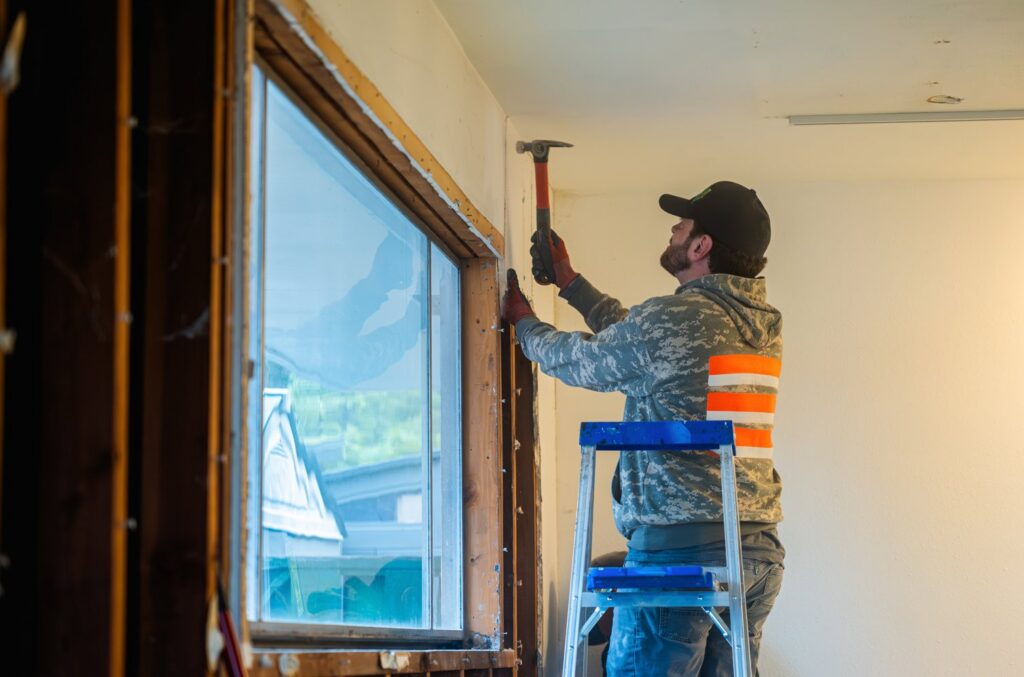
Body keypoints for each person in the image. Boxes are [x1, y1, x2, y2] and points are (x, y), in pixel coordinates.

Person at [501, 181, 785, 676]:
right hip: (756, 552)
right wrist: (570, 283)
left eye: (684, 226)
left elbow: (584, 360)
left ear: (701, 247)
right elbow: (642, 338)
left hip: (680, 552)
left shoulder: (677, 319)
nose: (674, 230)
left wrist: (524, 325)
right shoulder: (759, 324)